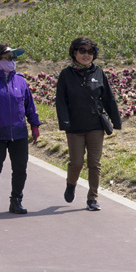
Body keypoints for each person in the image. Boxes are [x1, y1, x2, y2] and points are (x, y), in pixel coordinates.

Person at [55, 36, 121, 212]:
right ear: (74, 52)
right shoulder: (66, 74)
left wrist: (116, 120)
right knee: (76, 163)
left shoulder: (98, 72)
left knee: (94, 163)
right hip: (75, 127)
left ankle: (92, 198)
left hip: (95, 126)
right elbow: (60, 101)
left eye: (90, 52)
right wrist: (65, 122)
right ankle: (71, 184)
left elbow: (108, 98)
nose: (86, 55)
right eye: (82, 51)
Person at [0, 43, 39, 215]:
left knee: (20, 168)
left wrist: (34, 124)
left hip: (19, 133)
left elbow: (29, 105)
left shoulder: (20, 81)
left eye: (14, 58)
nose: (12, 61)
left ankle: (16, 200)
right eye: (8, 58)